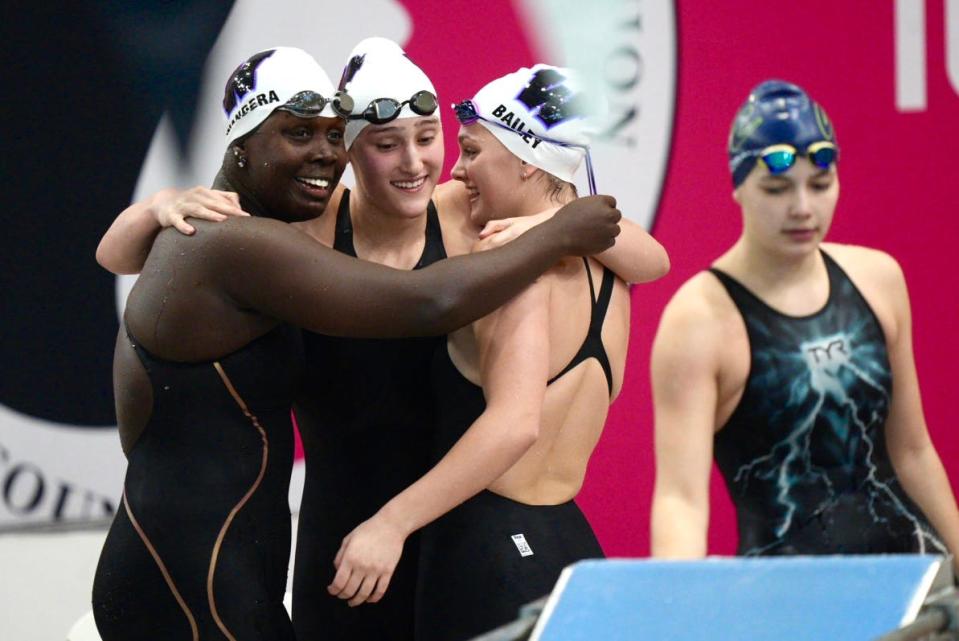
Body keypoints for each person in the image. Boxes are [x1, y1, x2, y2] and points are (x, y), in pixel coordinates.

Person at [95, 39, 667, 641]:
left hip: (444, 521)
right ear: (351, 152)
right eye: (386, 144)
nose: (415, 163)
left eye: (428, 138)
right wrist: (160, 204)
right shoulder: (312, 222)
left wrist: (555, 223)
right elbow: (122, 255)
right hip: (342, 535)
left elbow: (647, 256)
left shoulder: (466, 214)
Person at [324, 64, 658, 641]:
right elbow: (656, 258)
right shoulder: (611, 272)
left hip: (487, 553)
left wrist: (389, 524)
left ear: (527, 159)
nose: (456, 169)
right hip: (569, 545)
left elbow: (514, 424)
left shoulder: (519, 269)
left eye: (473, 151)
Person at [649, 80, 959, 565]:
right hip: (791, 604)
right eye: (776, 188)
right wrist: (675, 607)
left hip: (913, 585)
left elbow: (914, 450)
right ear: (738, 186)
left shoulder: (878, 279)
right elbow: (680, 499)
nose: (802, 208)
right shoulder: (700, 320)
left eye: (820, 185)